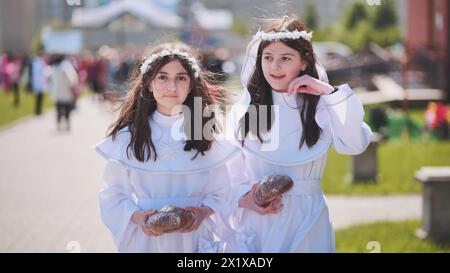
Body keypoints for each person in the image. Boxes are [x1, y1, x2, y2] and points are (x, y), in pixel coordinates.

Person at [226, 15, 373, 252]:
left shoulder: (322, 106)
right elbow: (230, 172)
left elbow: (354, 144)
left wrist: (328, 93)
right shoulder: (246, 111)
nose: (275, 66)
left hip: (308, 216)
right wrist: (247, 199)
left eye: (285, 58)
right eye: (268, 58)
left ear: (304, 62)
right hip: (259, 219)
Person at [93, 42, 240, 252]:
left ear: (191, 85)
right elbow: (113, 194)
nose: (172, 87)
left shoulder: (204, 136)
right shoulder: (131, 137)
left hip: (194, 240)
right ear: (149, 83)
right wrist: (136, 216)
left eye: (181, 78)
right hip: (147, 241)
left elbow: (221, 192)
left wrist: (202, 212)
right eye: (162, 77)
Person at [48, 54, 78, 131]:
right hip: (65, 90)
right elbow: (72, 77)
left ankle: (59, 123)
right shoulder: (65, 65)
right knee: (67, 107)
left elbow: (49, 78)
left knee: (58, 108)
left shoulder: (53, 67)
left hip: (57, 91)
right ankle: (67, 123)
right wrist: (72, 84)